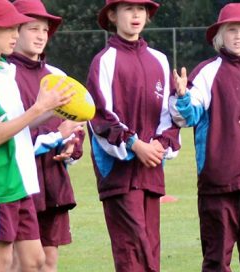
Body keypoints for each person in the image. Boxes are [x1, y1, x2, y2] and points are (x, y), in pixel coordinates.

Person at [169, 3, 240, 271]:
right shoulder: (208, 71)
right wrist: (183, 97)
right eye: (232, 30)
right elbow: (187, 117)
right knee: (217, 258)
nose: (239, 36)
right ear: (220, 34)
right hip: (218, 183)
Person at [0, 1, 71, 271]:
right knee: (1, 263)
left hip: (23, 182)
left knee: (35, 261)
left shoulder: (6, 69)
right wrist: (38, 107)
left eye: (17, 27)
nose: (16, 34)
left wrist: (52, 109)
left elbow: (19, 124)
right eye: (9, 28)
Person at [86, 0, 180, 271]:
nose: (136, 14)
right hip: (118, 173)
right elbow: (100, 115)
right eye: (128, 8)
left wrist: (160, 145)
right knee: (132, 251)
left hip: (151, 171)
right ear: (113, 15)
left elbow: (169, 114)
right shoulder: (104, 61)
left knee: (150, 249)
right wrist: (134, 144)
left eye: (141, 9)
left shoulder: (159, 59)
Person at [9, 1, 84, 271]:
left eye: (45, 29)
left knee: (49, 260)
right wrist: (54, 136)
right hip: (18, 180)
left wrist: (71, 144)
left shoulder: (58, 76)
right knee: (21, 261)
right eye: (33, 29)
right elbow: (7, 133)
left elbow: (74, 124)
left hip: (53, 178)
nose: (41, 35)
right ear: (14, 30)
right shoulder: (5, 75)